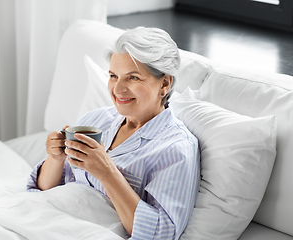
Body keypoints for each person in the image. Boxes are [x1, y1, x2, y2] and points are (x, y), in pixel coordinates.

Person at [27, 26, 200, 239]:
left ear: (164, 83)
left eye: (133, 78)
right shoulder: (94, 121)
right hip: (42, 220)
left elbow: (161, 234)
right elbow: (44, 190)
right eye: (113, 76)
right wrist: (55, 158)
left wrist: (107, 172)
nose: (117, 89)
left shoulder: (176, 148)